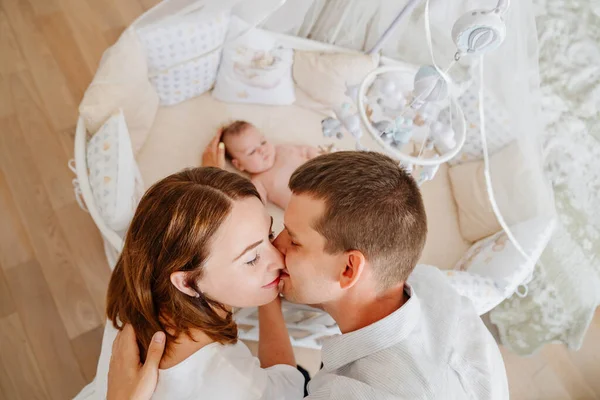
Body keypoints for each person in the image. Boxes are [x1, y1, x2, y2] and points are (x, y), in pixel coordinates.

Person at [108, 147, 509, 399]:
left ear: (350, 268)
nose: (277, 251)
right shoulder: (429, 283)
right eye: (266, 237)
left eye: (291, 240)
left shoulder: (342, 393)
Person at [76, 163, 307, 399]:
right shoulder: (233, 385)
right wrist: (271, 298)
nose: (280, 259)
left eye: (269, 235)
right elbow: (290, 386)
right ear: (186, 283)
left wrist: (214, 199)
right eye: (251, 259)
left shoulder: (137, 270)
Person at [219, 120, 321, 208]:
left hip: (324, 179)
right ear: (239, 165)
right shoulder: (258, 182)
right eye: (252, 151)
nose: (262, 150)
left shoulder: (283, 149)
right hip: (311, 207)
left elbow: (307, 150)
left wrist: (319, 156)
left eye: (263, 142)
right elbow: (256, 205)